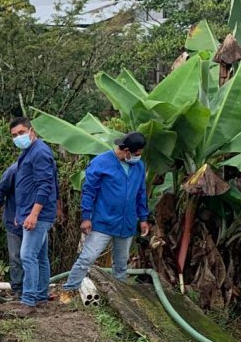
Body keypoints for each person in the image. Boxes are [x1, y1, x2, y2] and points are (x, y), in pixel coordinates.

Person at [58, 132, 151, 302]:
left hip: (127, 223)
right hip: (103, 221)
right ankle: (69, 289)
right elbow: (89, 191)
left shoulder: (139, 166)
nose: (139, 157)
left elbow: (141, 193)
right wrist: (86, 217)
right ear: (127, 151)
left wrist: (143, 218)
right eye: (137, 154)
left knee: (121, 265)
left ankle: (119, 297)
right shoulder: (101, 162)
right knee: (87, 257)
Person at [10, 117, 58, 312]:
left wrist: (34, 214)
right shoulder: (28, 151)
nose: (18, 137)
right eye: (14, 135)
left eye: (21, 133)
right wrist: (21, 213)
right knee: (40, 256)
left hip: (39, 213)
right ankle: (40, 296)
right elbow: (27, 185)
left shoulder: (39, 152)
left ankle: (28, 300)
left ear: (31, 131)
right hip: (30, 212)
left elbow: (46, 185)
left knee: (27, 255)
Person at [0, 163, 23, 301]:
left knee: (33, 257)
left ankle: (35, 288)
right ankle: (18, 289)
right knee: (16, 256)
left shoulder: (41, 170)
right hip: (13, 221)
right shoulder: (13, 171)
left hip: (34, 223)